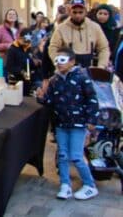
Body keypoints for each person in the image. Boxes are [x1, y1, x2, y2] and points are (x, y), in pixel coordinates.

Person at [36, 47, 100, 200]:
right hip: (61, 124)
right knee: (63, 155)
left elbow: (92, 99)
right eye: (56, 60)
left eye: (62, 60)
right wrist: (41, 97)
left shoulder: (82, 78)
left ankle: (90, 185)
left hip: (78, 124)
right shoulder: (54, 80)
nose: (59, 63)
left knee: (77, 156)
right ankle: (65, 184)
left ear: (72, 62)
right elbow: (51, 101)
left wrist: (92, 120)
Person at [48, 0, 110, 69]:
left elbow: (104, 48)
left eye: (80, 12)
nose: (77, 15)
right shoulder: (61, 28)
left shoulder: (95, 27)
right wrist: (60, 64)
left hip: (89, 69)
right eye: (74, 12)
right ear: (70, 12)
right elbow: (53, 47)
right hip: (68, 70)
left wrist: (101, 66)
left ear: (85, 12)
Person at [5, 28, 40, 95]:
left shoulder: (29, 49)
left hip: (29, 80)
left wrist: (36, 63)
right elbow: (9, 66)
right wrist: (21, 71)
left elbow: (30, 63)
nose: (26, 43)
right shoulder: (12, 49)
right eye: (24, 40)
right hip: (16, 80)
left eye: (28, 41)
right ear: (19, 38)